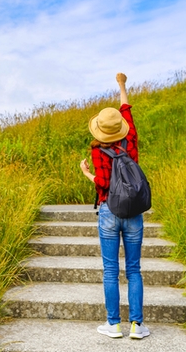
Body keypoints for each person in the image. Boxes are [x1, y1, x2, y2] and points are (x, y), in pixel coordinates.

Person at [79, 72, 150, 340]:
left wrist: (87, 173)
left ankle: (113, 325)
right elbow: (126, 109)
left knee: (110, 270)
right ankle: (137, 326)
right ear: (120, 126)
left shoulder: (97, 149)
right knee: (134, 270)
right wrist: (122, 85)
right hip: (133, 212)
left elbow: (104, 184)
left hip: (109, 210)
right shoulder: (130, 139)